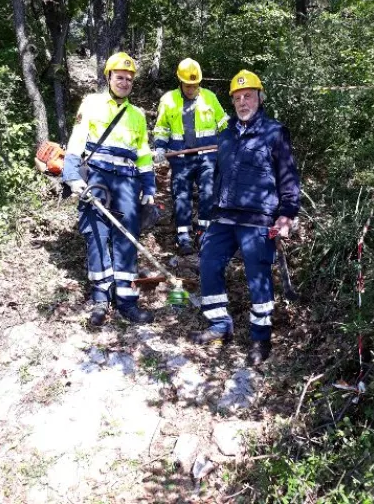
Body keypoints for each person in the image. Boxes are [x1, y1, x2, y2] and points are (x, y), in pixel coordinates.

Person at [191, 70, 300, 366]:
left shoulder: (275, 132)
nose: (242, 102)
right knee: (208, 263)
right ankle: (219, 325)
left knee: (258, 276)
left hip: (259, 219)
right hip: (224, 216)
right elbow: (218, 176)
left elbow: (288, 178)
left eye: (247, 96)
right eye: (237, 98)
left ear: (259, 98)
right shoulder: (225, 135)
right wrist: (209, 211)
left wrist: (287, 215)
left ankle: (260, 337)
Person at [62, 52, 155, 326]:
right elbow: (77, 138)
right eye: (119, 77)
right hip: (97, 179)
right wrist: (71, 174)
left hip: (127, 182)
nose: (124, 82)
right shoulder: (91, 103)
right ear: (109, 77)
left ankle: (127, 301)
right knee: (95, 235)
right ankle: (101, 298)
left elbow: (144, 153)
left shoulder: (137, 115)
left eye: (129, 79)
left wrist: (149, 186)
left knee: (126, 239)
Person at [153, 58, 229, 255]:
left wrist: (230, 142)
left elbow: (224, 124)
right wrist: (160, 146)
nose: (191, 89)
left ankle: (203, 231)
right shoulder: (168, 100)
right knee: (181, 195)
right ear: (180, 81)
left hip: (207, 157)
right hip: (180, 158)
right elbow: (162, 127)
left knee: (208, 193)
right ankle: (183, 236)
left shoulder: (210, 98)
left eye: (194, 85)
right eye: (188, 85)